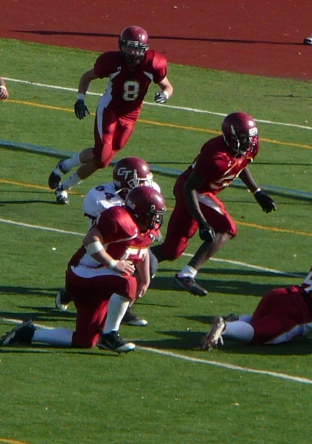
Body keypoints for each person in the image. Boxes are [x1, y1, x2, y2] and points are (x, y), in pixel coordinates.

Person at [0, 186, 166, 353]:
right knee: (127, 280)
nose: (156, 220)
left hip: (99, 278)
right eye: (153, 215)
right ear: (138, 212)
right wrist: (113, 263)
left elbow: (142, 251)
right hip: (82, 273)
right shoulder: (119, 219)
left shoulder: (145, 230)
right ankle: (110, 335)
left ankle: (29, 334)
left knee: (85, 340)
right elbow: (90, 240)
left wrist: (145, 279)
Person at [151, 112, 276, 297]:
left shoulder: (249, 146)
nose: (249, 142)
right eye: (244, 138)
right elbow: (189, 188)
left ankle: (132, 257)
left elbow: (240, 163)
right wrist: (202, 223)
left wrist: (257, 192)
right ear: (230, 137)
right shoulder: (216, 156)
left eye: (251, 137)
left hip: (201, 191)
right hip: (195, 191)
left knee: (171, 250)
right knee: (227, 228)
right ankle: (186, 275)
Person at [47, 26, 173, 206]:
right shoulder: (111, 61)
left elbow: (167, 86)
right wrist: (80, 99)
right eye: (129, 47)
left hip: (131, 114)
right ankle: (64, 167)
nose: (132, 52)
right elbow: (86, 77)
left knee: (103, 161)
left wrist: (166, 95)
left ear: (144, 49)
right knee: (102, 152)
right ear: (121, 46)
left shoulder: (153, 63)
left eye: (137, 48)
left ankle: (64, 186)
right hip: (110, 109)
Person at [54, 157, 162, 327]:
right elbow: (101, 235)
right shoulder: (101, 198)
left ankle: (121, 309)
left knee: (150, 265)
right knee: (115, 269)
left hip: (134, 241)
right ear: (129, 182)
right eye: (141, 182)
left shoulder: (149, 190)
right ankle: (74, 293)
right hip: (111, 242)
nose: (147, 185)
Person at [200, 252, 312, 350]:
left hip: (281, 294)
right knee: (257, 336)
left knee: (257, 322)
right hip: (296, 315)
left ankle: (236, 321)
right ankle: (225, 327)